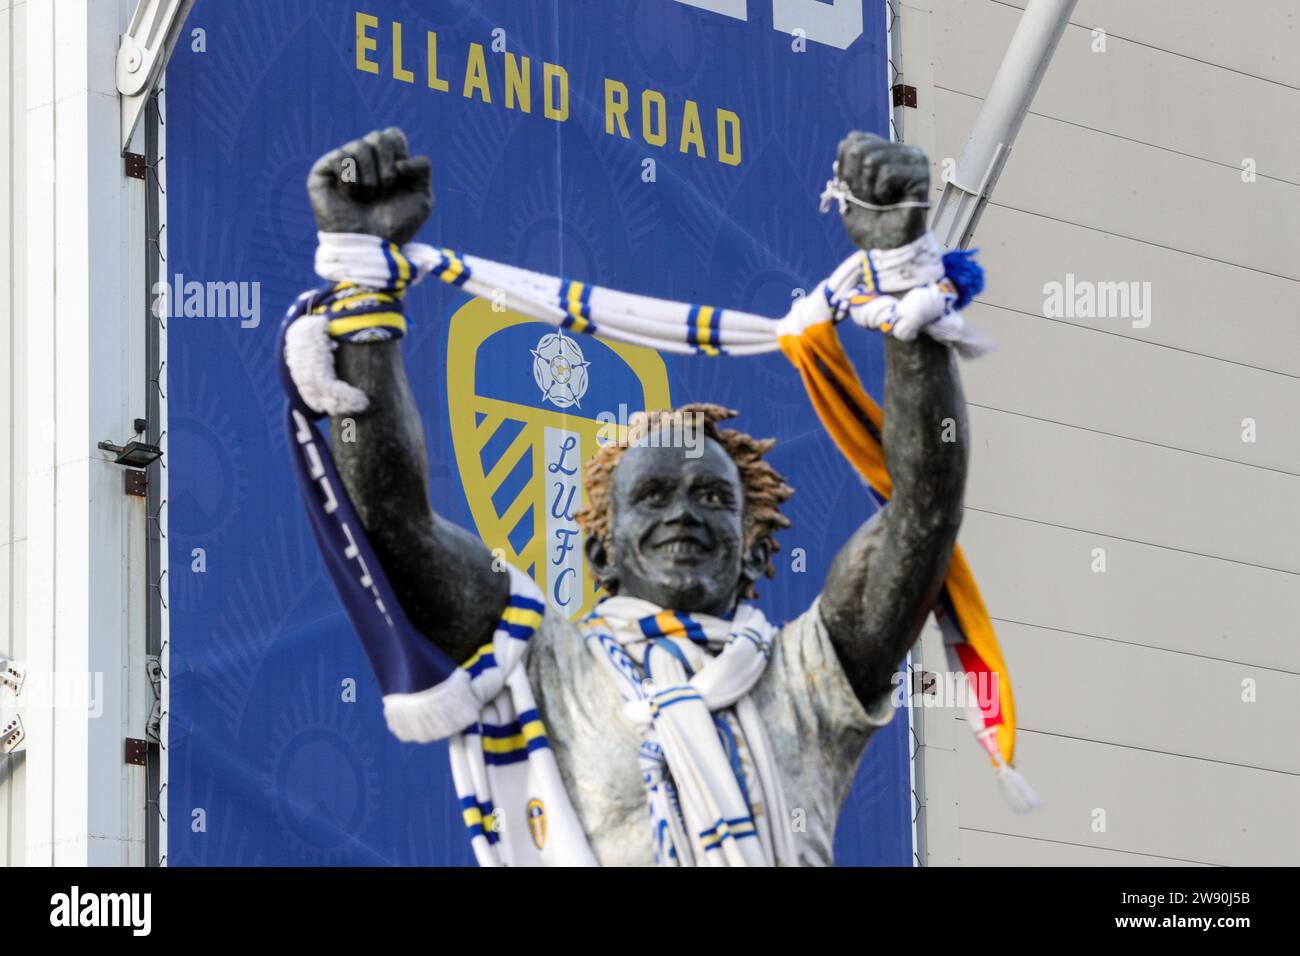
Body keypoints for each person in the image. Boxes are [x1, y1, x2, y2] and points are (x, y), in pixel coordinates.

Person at [301, 127, 969, 865]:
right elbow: (391, 524)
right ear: (600, 547)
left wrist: (906, 278)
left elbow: (924, 509)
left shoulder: (809, 675)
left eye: (713, 498)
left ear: (753, 545)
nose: (684, 511)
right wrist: (362, 279)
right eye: (651, 495)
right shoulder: (547, 663)